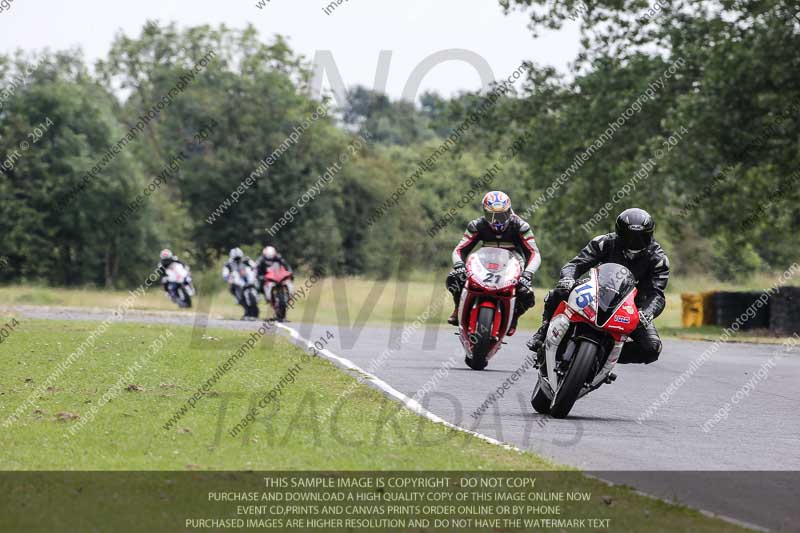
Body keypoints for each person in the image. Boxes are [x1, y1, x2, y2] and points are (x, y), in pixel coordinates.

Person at [527, 207, 670, 364]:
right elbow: (574, 265)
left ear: (650, 235)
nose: (634, 242)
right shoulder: (604, 243)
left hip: (632, 309)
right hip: (596, 293)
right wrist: (567, 279)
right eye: (629, 237)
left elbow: (657, 294)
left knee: (651, 348)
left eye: (641, 237)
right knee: (559, 292)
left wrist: (647, 312)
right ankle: (543, 332)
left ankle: (603, 357)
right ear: (619, 233)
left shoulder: (658, 259)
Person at [446, 191, 542, 336]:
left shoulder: (521, 226)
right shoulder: (476, 225)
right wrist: (459, 265)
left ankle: (514, 316)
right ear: (485, 213)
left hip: (513, 264)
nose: (497, 220)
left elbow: (534, 253)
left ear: (509, 211)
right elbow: (459, 250)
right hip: (485, 261)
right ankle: (458, 306)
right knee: (455, 277)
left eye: (502, 215)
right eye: (492, 216)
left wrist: (527, 274)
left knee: (527, 294)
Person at [222, 247, 258, 319]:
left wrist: (255, 272)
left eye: (238, 258)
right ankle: (241, 302)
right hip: (238, 283)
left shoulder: (247, 260)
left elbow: (255, 267)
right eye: (236, 259)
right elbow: (225, 274)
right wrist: (229, 278)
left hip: (249, 280)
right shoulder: (228, 264)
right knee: (232, 288)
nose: (237, 260)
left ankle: (256, 297)